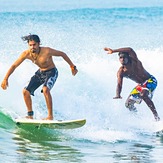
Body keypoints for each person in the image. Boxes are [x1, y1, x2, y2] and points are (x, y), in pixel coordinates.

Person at [1, 34, 78, 120]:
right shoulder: (26, 54)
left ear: (38, 44)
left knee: (45, 89)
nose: (32, 47)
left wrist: (72, 66)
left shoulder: (47, 51)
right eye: (30, 45)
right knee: (25, 91)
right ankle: (30, 115)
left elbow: (62, 54)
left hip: (51, 72)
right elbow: (14, 65)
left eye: (34, 45)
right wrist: (5, 78)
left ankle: (50, 116)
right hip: (40, 72)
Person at [104, 47, 160, 121]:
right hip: (141, 85)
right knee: (128, 104)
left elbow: (130, 49)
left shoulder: (135, 62)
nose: (122, 59)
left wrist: (113, 51)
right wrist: (118, 94)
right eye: (120, 58)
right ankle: (140, 120)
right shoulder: (121, 71)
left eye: (124, 57)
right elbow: (119, 84)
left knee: (143, 94)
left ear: (128, 58)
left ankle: (157, 117)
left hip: (150, 80)